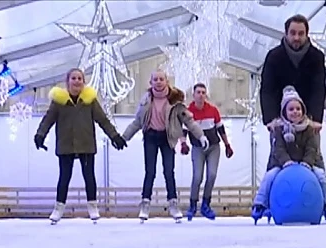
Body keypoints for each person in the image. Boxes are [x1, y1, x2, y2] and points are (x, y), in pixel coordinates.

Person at [34, 68, 126, 224]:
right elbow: (48, 119)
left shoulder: (89, 101)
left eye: (80, 78)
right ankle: (58, 209)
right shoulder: (59, 101)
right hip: (66, 144)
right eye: (74, 78)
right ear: (68, 81)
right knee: (64, 177)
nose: (77, 81)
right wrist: (40, 134)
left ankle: (92, 206)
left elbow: (102, 120)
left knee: (89, 176)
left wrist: (114, 136)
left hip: (86, 143)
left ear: (84, 82)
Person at [122, 70, 209, 222]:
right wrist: (124, 137)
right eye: (155, 79)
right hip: (150, 137)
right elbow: (137, 121)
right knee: (150, 172)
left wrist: (201, 135)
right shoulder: (146, 100)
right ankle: (145, 204)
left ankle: (173, 204)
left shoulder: (175, 101)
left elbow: (189, 121)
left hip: (167, 138)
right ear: (151, 82)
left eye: (161, 79)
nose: (158, 82)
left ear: (167, 81)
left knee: (169, 171)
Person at [251, 87, 326, 224]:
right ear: (284, 112)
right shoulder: (278, 129)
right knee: (270, 176)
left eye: (298, 109)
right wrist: (286, 162)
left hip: (307, 164)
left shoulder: (309, 128)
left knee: (321, 176)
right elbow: (278, 149)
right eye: (291, 109)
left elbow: (312, 148)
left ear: (303, 111)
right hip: (282, 165)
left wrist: (307, 163)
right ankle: (260, 204)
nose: (295, 112)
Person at [260, 14, 325, 164]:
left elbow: (318, 88)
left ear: (307, 34)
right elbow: (267, 89)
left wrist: (316, 118)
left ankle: (320, 186)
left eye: (301, 34)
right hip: (281, 120)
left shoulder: (316, 57)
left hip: (308, 119)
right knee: (277, 160)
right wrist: (270, 119)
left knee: (314, 160)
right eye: (293, 33)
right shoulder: (274, 56)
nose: (296, 38)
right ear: (286, 33)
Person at [185, 82, 234, 221]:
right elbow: (184, 130)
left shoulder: (213, 110)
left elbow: (220, 129)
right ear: (193, 95)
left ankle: (206, 204)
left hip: (213, 147)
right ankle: (192, 204)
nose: (201, 95)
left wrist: (227, 145)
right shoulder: (188, 112)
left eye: (203, 92)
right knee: (197, 177)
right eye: (198, 92)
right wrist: (183, 143)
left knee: (211, 175)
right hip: (197, 148)